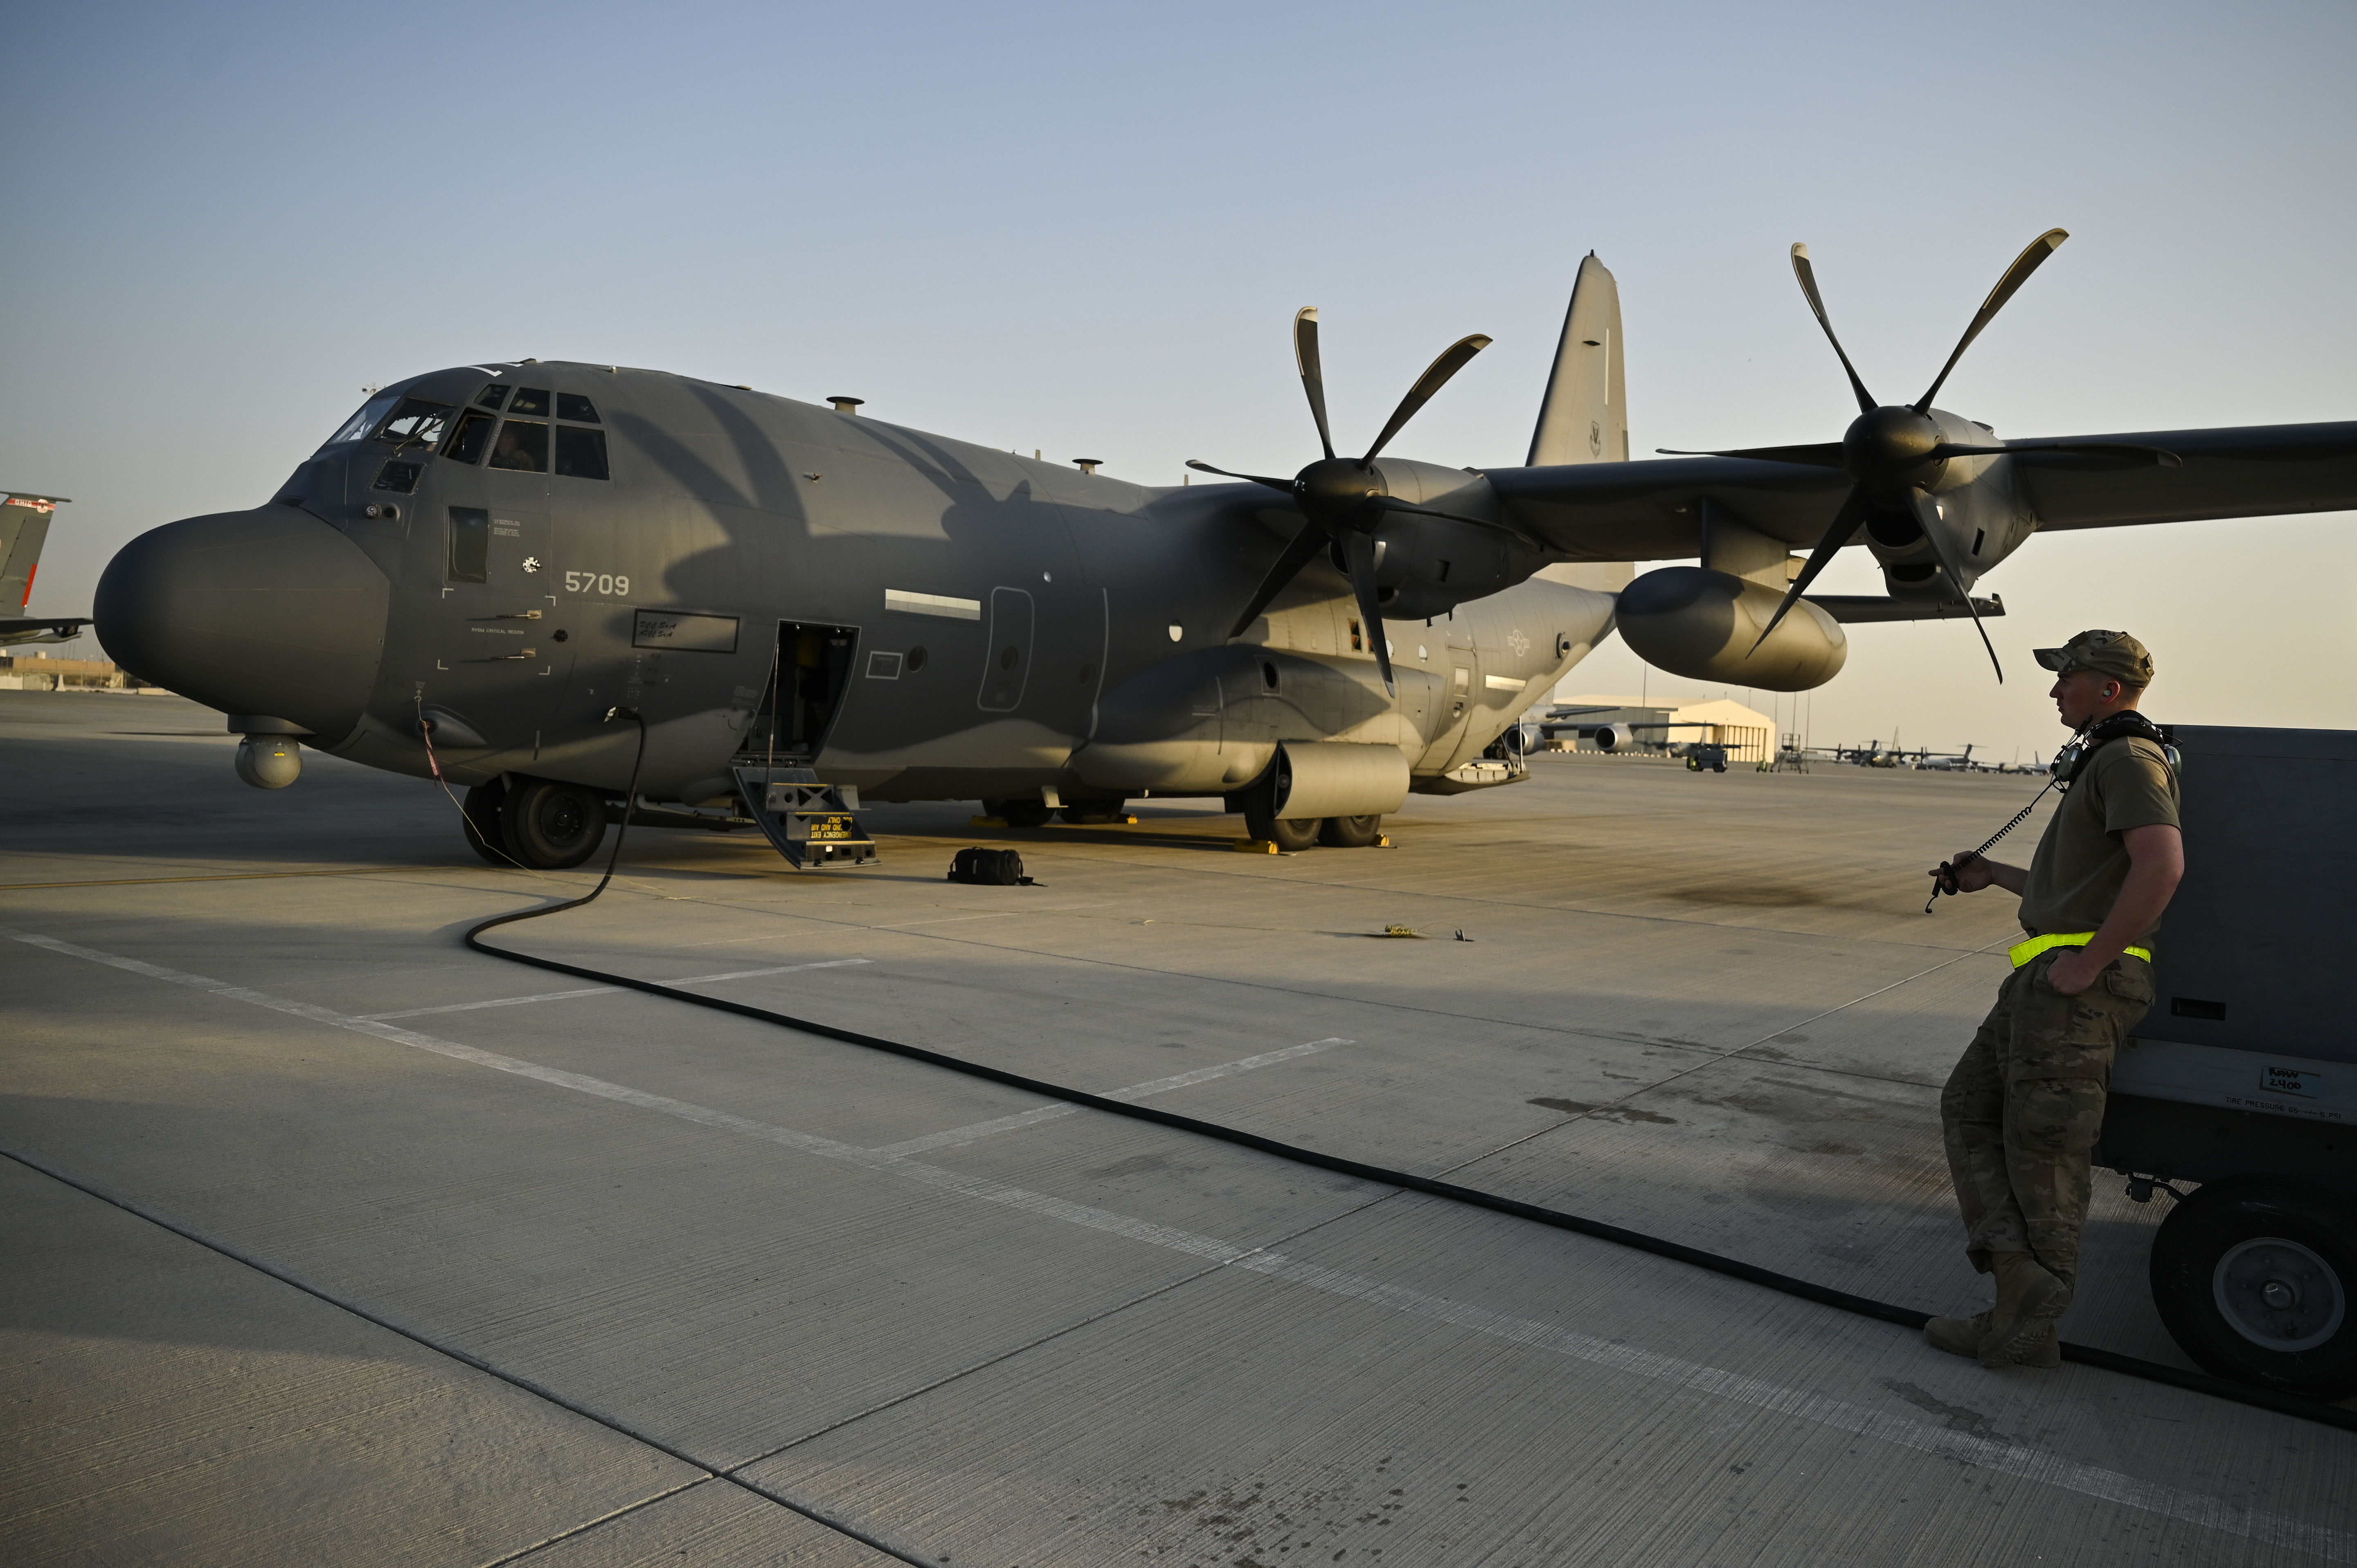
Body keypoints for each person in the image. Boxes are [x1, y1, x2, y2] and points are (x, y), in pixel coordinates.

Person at [1924, 629, 2184, 1369]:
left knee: (2044, 1150)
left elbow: (2160, 868)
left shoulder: (2129, 760)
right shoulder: (2105, 760)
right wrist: (1996, 877)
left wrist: (2089, 964)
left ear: (2108, 688)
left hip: (2075, 987)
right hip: (2044, 981)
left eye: (2066, 676)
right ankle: (2018, 1282)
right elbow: (2081, 887)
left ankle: (2025, 1325)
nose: (2053, 689)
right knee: (1968, 1108)